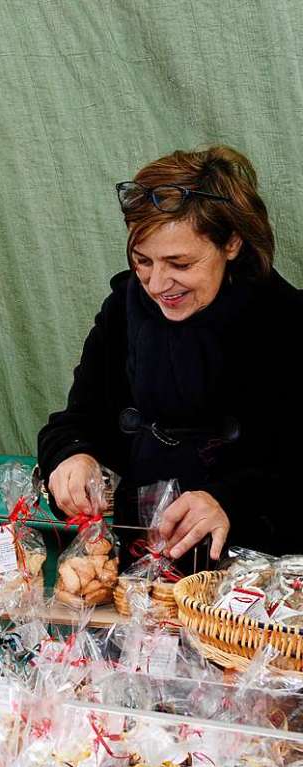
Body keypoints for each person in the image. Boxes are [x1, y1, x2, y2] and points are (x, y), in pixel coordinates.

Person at [38, 145, 303, 564]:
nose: (158, 283)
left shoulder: (287, 323)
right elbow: (78, 420)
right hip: (139, 569)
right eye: (143, 260)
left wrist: (227, 501)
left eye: (179, 263)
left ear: (231, 242)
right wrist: (72, 456)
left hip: (254, 585)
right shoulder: (124, 311)